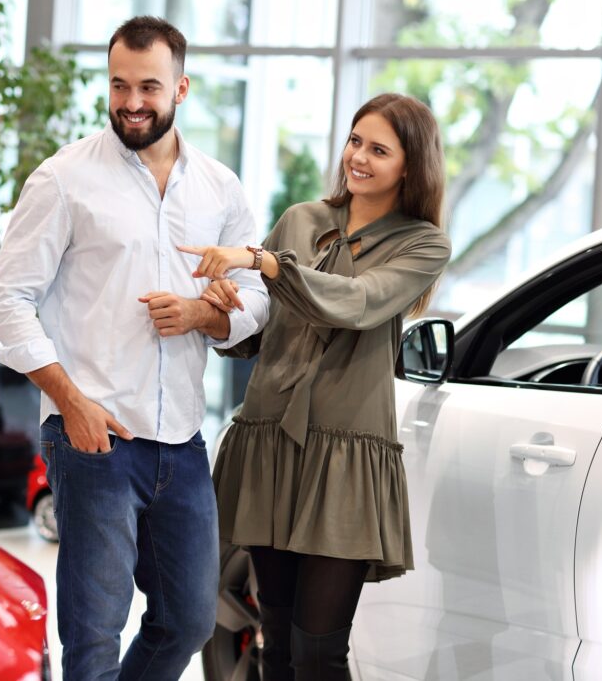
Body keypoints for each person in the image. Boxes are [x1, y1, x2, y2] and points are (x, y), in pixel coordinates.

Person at [0, 16, 270, 681]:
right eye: (119, 85)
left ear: (182, 88)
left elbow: (256, 300)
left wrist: (206, 312)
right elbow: (8, 299)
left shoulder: (219, 189)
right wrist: (70, 403)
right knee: (93, 637)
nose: (131, 102)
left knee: (191, 619)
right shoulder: (63, 179)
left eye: (148, 86)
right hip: (96, 434)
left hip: (181, 438)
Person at [179, 92, 451, 680]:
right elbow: (259, 332)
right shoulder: (301, 220)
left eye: (379, 150)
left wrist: (265, 264)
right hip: (271, 444)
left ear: (411, 166)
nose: (359, 158)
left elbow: (356, 304)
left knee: (319, 651)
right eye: (356, 141)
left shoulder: (422, 244)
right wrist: (225, 308)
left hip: (343, 457)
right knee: (273, 641)